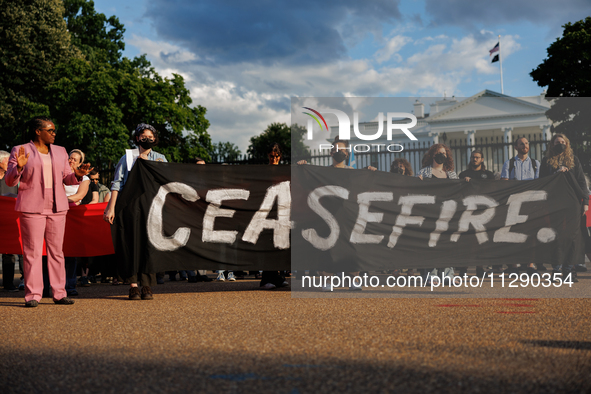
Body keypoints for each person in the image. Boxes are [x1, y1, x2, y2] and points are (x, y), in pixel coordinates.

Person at [5, 116, 91, 307]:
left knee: (56, 252)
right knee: (32, 252)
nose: (54, 133)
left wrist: (77, 175)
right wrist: (18, 166)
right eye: (50, 130)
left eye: (54, 130)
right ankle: (33, 295)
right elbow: (10, 181)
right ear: (38, 131)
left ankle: (59, 293)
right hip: (31, 207)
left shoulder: (61, 151)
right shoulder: (21, 150)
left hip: (57, 207)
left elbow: (67, 179)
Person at [103, 123, 167, 300]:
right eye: (144, 136)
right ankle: (133, 285)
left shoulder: (160, 158)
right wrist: (111, 207)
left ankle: (146, 285)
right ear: (137, 138)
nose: (148, 139)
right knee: (131, 244)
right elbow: (117, 183)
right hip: (129, 206)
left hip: (151, 205)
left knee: (148, 244)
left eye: (151, 136)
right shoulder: (127, 157)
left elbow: (166, 181)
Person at [539, 133, 589, 282]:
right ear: (552, 145)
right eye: (556, 142)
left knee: (572, 236)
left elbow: (582, 182)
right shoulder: (547, 161)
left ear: (566, 144)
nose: (560, 144)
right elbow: (542, 182)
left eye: (562, 141)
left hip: (573, 202)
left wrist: (585, 202)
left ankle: (568, 271)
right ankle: (556, 269)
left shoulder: (574, 160)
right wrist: (556, 174)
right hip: (555, 203)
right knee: (556, 236)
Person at [416, 144, 458, 284]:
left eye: (444, 153)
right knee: (431, 243)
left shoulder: (451, 174)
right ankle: (431, 273)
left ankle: (448, 273)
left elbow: (458, 190)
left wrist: (467, 183)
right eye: (439, 153)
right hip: (431, 213)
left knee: (447, 243)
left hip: (448, 213)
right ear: (432, 155)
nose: (442, 155)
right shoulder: (425, 172)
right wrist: (418, 181)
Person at [500, 137, 541, 275]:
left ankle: (530, 265)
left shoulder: (536, 163)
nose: (525, 145)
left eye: (527, 143)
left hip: (530, 203)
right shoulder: (509, 163)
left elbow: (539, 184)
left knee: (531, 235)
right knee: (512, 235)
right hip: (514, 204)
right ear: (516, 147)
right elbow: (504, 184)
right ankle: (514, 265)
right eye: (521, 144)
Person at [1, 150, 21, 292]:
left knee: (9, 252)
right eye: (7, 161)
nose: (10, 164)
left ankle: (8, 284)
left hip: (10, 219)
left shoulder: (13, 178)